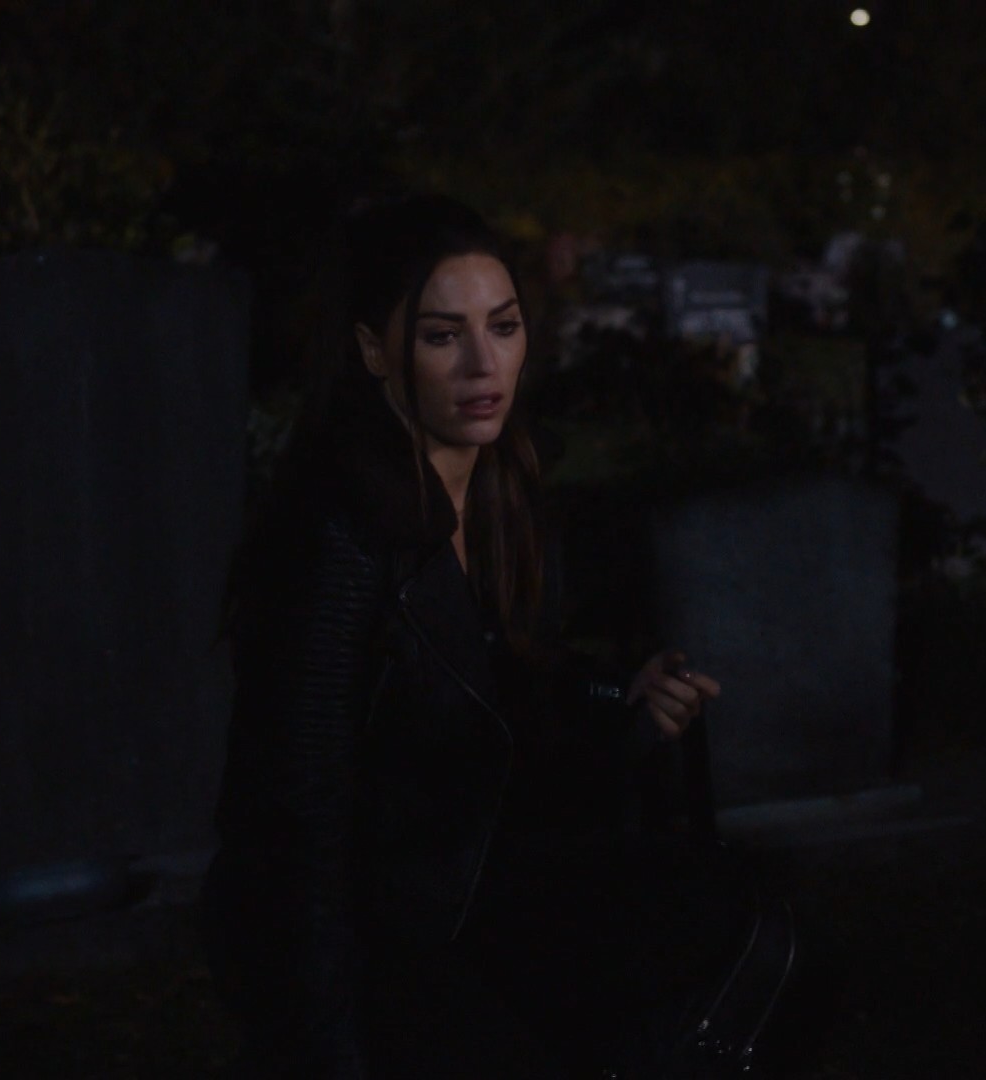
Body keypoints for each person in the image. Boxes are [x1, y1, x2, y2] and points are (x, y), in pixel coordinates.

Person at [201, 191, 791, 1078]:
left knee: (745, 931)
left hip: (483, 886)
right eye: (443, 336)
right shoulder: (337, 545)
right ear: (374, 351)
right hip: (384, 935)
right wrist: (328, 1048)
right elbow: (296, 830)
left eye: (503, 327)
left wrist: (620, 698)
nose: (485, 364)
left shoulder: (500, 490)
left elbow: (497, 689)